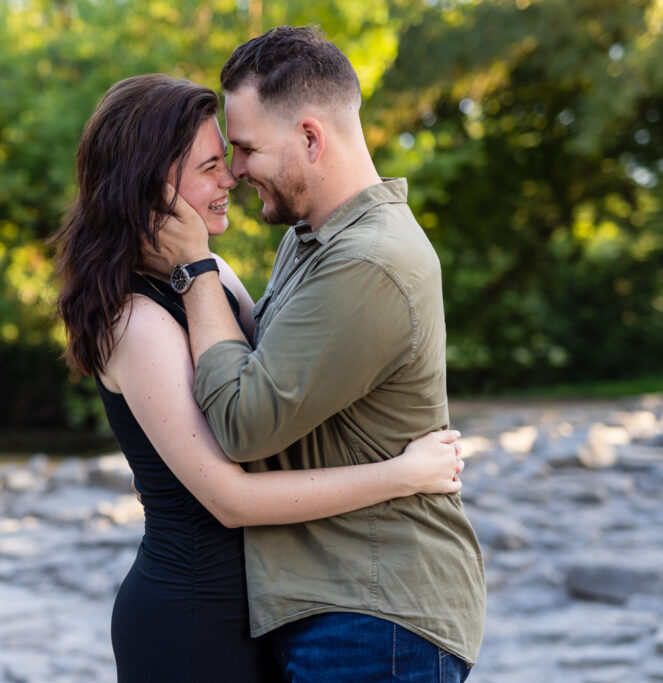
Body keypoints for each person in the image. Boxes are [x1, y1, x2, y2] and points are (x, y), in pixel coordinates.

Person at [52, 73, 466, 683]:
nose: (230, 180)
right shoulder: (134, 320)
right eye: (211, 165)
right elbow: (230, 499)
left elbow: (271, 388)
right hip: (192, 619)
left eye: (231, 158)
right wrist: (400, 476)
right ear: (151, 186)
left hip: (271, 611)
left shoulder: (210, 274)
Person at [145, 27, 486, 682]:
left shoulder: (370, 261)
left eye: (244, 148)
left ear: (309, 136)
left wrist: (194, 267)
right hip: (339, 605)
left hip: (374, 610)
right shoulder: (313, 238)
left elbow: (244, 423)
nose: (236, 171)